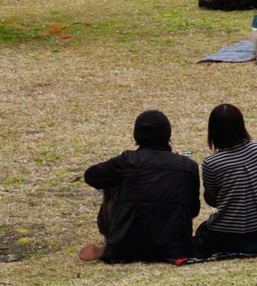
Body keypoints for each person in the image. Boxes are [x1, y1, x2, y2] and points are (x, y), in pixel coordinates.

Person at [81, 110, 199, 262]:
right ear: (168, 135)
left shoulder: (127, 161)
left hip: (127, 245)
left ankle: (109, 239)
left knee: (112, 179)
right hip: (175, 247)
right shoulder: (188, 166)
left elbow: (91, 176)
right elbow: (193, 210)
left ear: (137, 135)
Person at [195, 104, 257, 257]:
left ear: (213, 131)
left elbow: (212, 200)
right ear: (241, 126)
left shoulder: (211, 163)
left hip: (227, 236)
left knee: (202, 231)